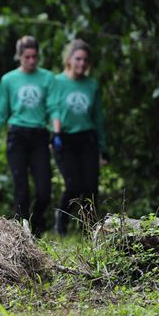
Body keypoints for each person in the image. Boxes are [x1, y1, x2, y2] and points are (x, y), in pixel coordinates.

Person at [0, 35, 55, 237]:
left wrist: (57, 132)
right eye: (27, 57)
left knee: (44, 190)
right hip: (18, 135)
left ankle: (38, 225)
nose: (31, 61)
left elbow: (54, 107)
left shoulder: (47, 78)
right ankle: (20, 234)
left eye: (34, 57)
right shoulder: (9, 80)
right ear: (19, 57)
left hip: (40, 136)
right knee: (21, 189)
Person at [50, 39, 108, 236]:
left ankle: (90, 229)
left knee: (91, 187)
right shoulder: (57, 81)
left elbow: (98, 117)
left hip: (87, 139)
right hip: (64, 139)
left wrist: (103, 146)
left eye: (85, 60)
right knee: (74, 185)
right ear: (69, 59)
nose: (82, 63)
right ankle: (62, 221)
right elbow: (52, 108)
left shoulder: (92, 84)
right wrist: (54, 133)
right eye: (78, 59)